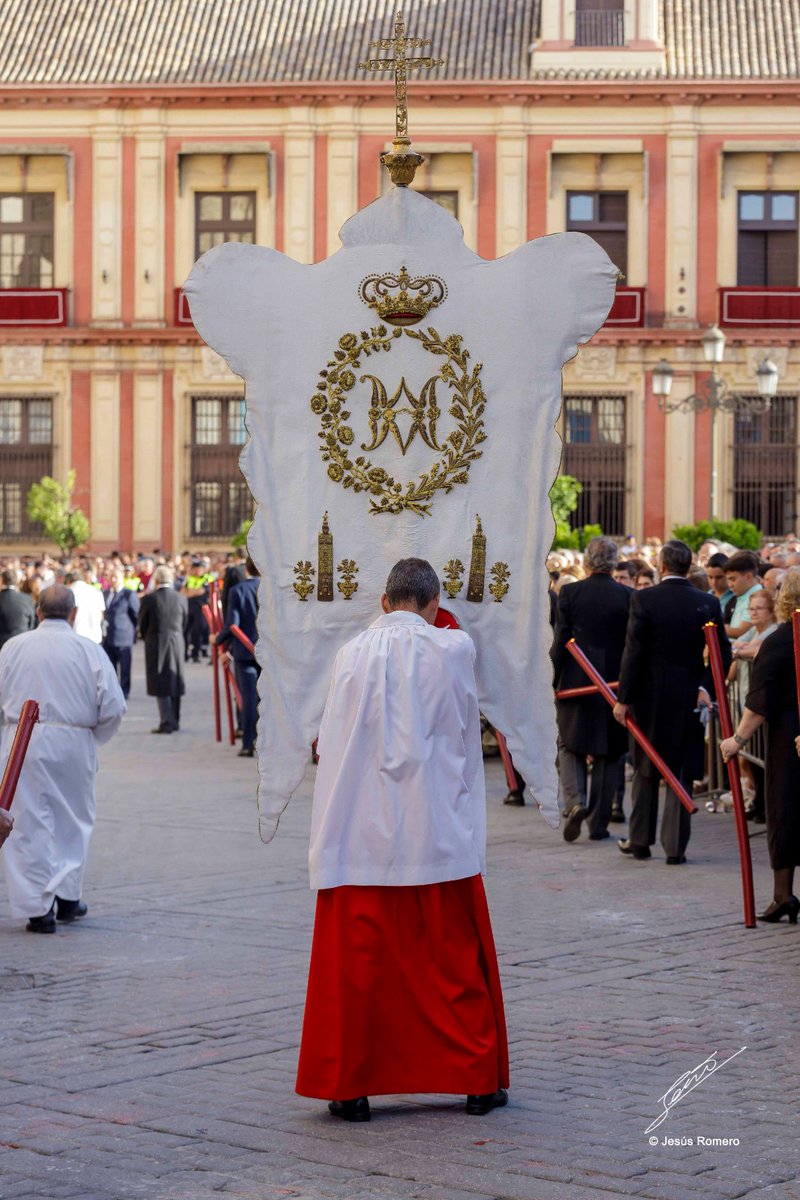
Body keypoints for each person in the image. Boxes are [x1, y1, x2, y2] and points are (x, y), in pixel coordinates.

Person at [295, 559, 508, 1121]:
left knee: (362, 969)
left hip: (359, 828)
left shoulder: (349, 654)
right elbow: (462, 640)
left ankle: (352, 1086)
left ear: (384, 601)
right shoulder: (454, 649)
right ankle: (475, 1081)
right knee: (451, 962)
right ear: (434, 605)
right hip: (433, 823)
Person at [0, 585, 125, 933]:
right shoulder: (88, 649)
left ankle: (38, 908)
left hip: (21, 741)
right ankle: (68, 897)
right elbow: (113, 705)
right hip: (73, 739)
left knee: (26, 822)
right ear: (72, 614)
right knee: (72, 818)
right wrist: (91, 737)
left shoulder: (12, 647)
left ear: (38, 612)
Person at [613, 540, 730, 864]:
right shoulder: (706, 601)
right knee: (681, 768)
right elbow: (723, 652)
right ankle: (675, 847)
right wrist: (707, 688)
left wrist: (624, 699)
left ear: (663, 566)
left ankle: (640, 840)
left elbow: (633, 653)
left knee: (646, 768)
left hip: (650, 696)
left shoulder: (644, 598)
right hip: (689, 694)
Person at [720, 569, 800, 923]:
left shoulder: (781, 641)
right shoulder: (782, 640)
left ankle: (783, 895)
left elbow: (759, 700)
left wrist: (737, 739)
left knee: (785, 810)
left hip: (787, 737)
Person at [551, 537, 631, 843]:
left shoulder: (570, 593)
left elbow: (561, 641)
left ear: (586, 562)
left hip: (575, 680)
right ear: (614, 563)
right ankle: (599, 824)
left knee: (569, 745)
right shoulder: (628, 595)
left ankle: (574, 803)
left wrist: (552, 678)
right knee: (609, 754)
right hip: (614, 683)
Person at [213, 557, 260, 757]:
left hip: (245, 653)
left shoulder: (238, 591)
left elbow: (232, 624)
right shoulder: (273, 590)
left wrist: (217, 640)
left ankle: (248, 743)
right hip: (269, 653)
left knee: (249, 699)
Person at [137, 565, 188, 734]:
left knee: (160, 680)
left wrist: (147, 637)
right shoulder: (181, 598)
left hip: (156, 640)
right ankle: (175, 720)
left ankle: (166, 721)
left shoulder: (149, 599)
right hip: (176, 640)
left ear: (156, 580)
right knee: (175, 678)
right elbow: (185, 621)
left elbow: (142, 624)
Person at [103, 568, 140, 699]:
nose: (113, 580)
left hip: (124, 635)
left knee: (125, 667)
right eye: (111, 577)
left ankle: (125, 690)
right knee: (110, 667)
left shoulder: (128, 594)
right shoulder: (105, 593)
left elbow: (136, 613)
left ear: (122, 578)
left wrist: (133, 630)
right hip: (108, 635)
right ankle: (113, 690)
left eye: (116, 577)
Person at [724, 550, 762, 640]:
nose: (730, 585)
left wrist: (711, 628)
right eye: (728, 580)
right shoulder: (742, 595)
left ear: (748, 576)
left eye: (733, 579)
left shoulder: (758, 597)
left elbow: (741, 631)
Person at [0, 567, 36, 649]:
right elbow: (32, 624)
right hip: (22, 644)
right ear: (17, 581)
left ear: (1, 581)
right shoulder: (27, 599)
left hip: (2, 647)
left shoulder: (27, 598)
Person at [69, 566, 106, 644]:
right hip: (95, 637)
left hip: (78, 635)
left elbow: (71, 614)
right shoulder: (96, 591)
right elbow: (101, 616)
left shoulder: (72, 591)